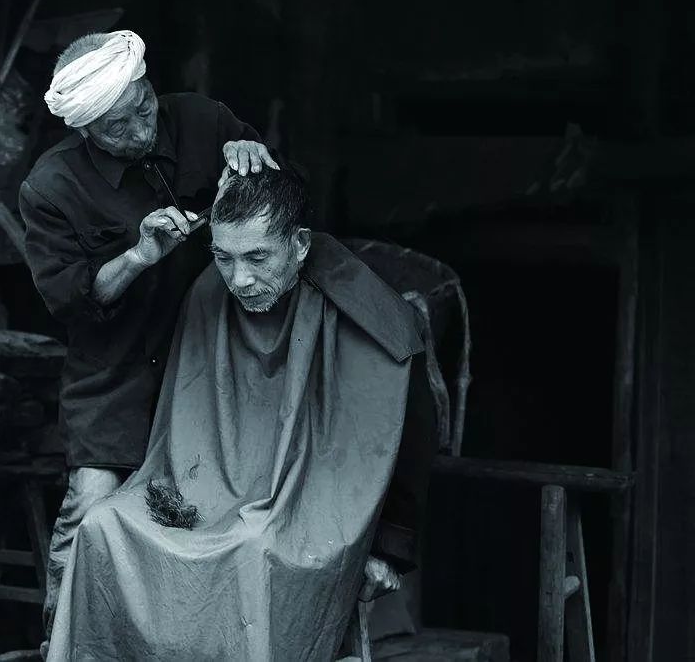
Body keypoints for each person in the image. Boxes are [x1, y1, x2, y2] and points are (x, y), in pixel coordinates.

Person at [45, 166, 439, 660]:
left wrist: (390, 548)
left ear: (299, 244)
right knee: (104, 524)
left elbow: (405, 429)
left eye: (257, 257)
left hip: (309, 508)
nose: (240, 279)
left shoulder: (367, 310)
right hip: (206, 489)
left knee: (255, 547)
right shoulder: (210, 290)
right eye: (223, 258)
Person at [19, 29, 277, 638]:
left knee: (220, 516)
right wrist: (137, 257)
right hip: (116, 379)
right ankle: (64, 647)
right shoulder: (51, 188)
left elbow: (279, 206)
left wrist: (254, 158)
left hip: (219, 367)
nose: (141, 130)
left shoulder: (203, 121)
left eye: (144, 108)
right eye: (119, 127)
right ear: (87, 130)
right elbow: (70, 303)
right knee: (91, 514)